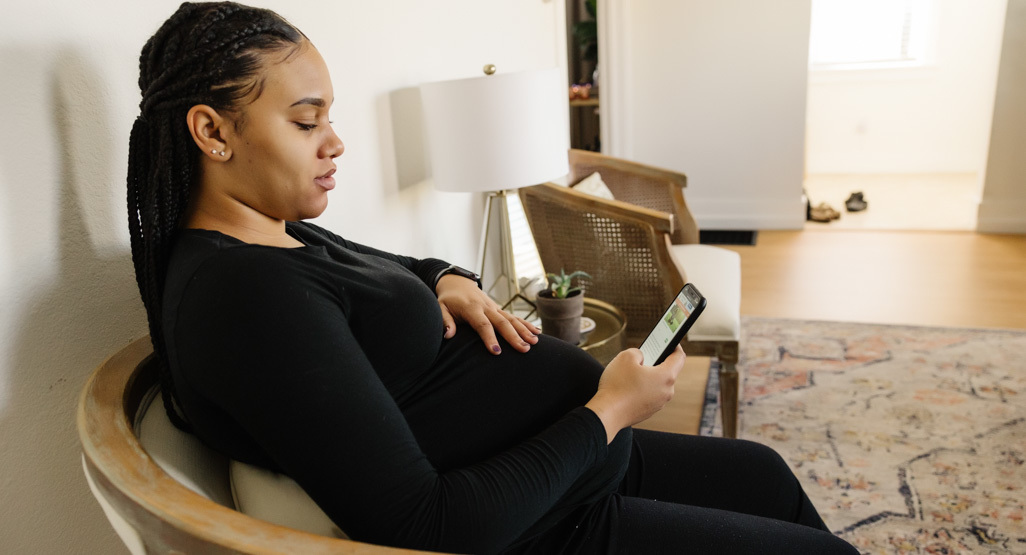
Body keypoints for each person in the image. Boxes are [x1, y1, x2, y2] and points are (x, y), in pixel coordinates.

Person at [127, 3, 858, 553]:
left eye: (330, 117)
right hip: (549, 526)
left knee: (763, 472)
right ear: (212, 132)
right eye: (306, 121)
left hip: (575, 474)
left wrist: (442, 275)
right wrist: (610, 408)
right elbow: (430, 521)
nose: (335, 140)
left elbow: (382, 269)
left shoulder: (274, 232)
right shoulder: (244, 298)